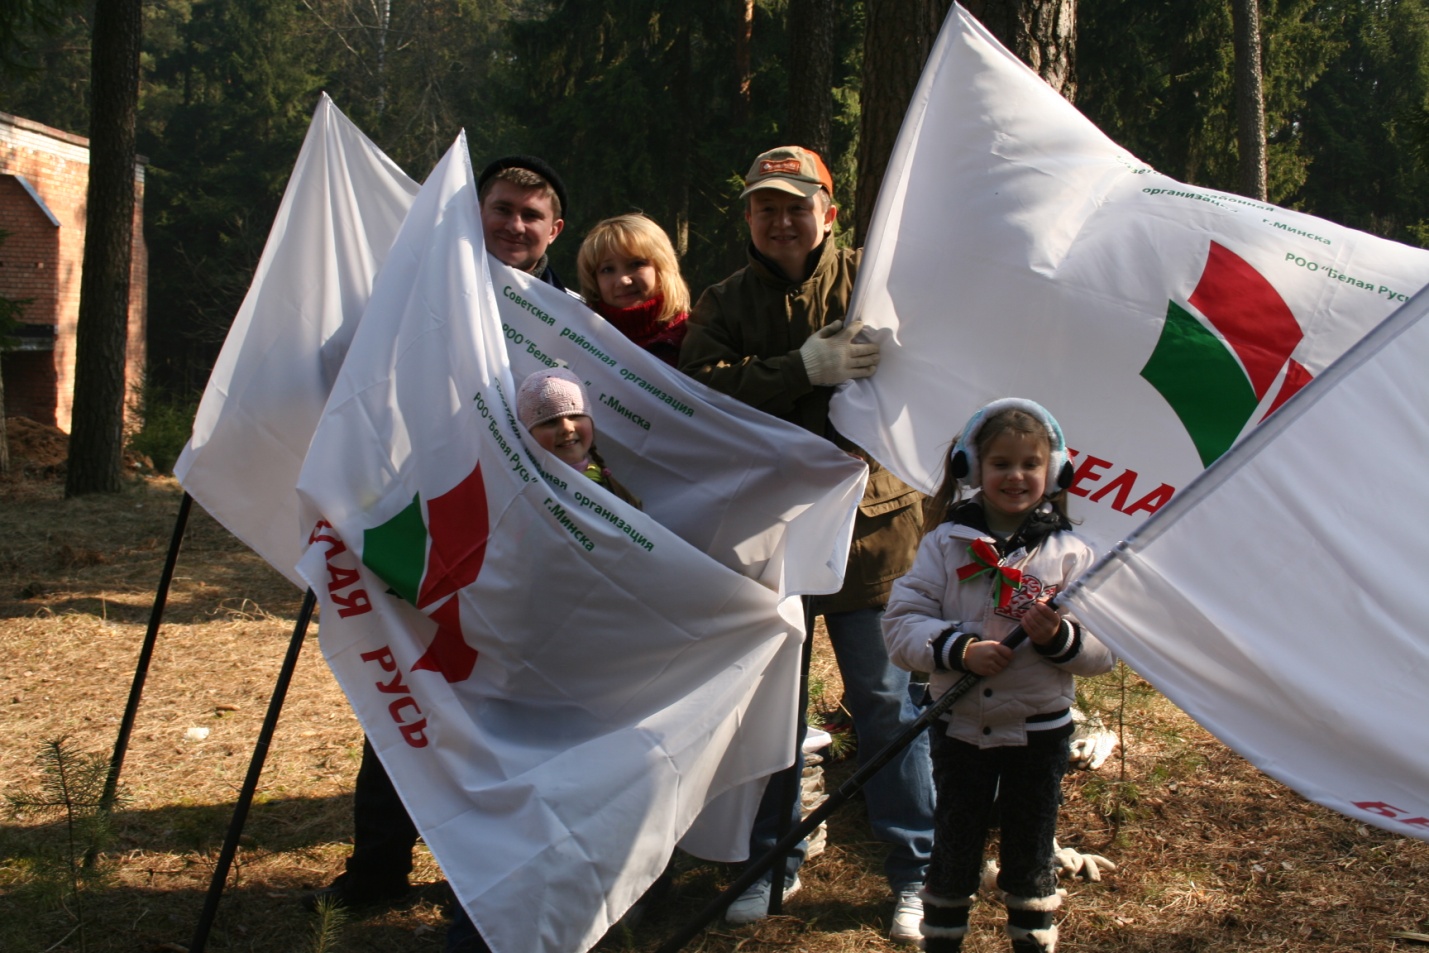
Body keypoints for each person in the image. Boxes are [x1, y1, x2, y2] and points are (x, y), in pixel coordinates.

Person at [678, 145, 934, 943]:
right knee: (773, 713)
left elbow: (933, 368)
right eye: (765, 206)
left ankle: (914, 870)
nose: (781, 220)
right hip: (771, 535)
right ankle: (771, 860)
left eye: (797, 204)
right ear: (748, 217)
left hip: (873, 531)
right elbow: (699, 393)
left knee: (886, 706)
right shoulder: (720, 303)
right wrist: (798, 368)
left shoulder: (879, 280)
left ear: (828, 211)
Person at [307, 154, 573, 913]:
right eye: (500, 209)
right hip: (424, 527)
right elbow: (344, 372)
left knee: (503, 709)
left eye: (531, 214)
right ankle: (378, 869)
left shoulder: (573, 318)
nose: (514, 225)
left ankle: (485, 873)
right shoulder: (420, 294)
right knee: (407, 688)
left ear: (555, 228)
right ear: (473, 214)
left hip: (526, 548)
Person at [881, 399, 1116, 953]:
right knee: (955, 846)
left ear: (1054, 472)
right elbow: (901, 625)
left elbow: (1105, 650)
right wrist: (958, 650)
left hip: (1039, 732)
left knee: (1030, 849)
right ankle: (942, 935)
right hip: (960, 728)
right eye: (1002, 464)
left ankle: (1032, 936)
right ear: (971, 469)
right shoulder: (943, 543)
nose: (1016, 476)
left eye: (1030, 464)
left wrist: (1058, 640)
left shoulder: (1073, 554)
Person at [444, 367, 640, 952]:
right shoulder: (509, 489)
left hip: (595, 681)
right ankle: (480, 928)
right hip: (520, 678)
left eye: (574, 415)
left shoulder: (617, 489)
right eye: (547, 422)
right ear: (525, 433)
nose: (566, 429)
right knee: (509, 809)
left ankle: (593, 924)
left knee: (590, 806)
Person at [576, 212, 691, 365]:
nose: (623, 280)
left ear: (663, 267)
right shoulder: (576, 335)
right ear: (593, 279)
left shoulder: (693, 337)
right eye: (608, 269)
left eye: (637, 264)